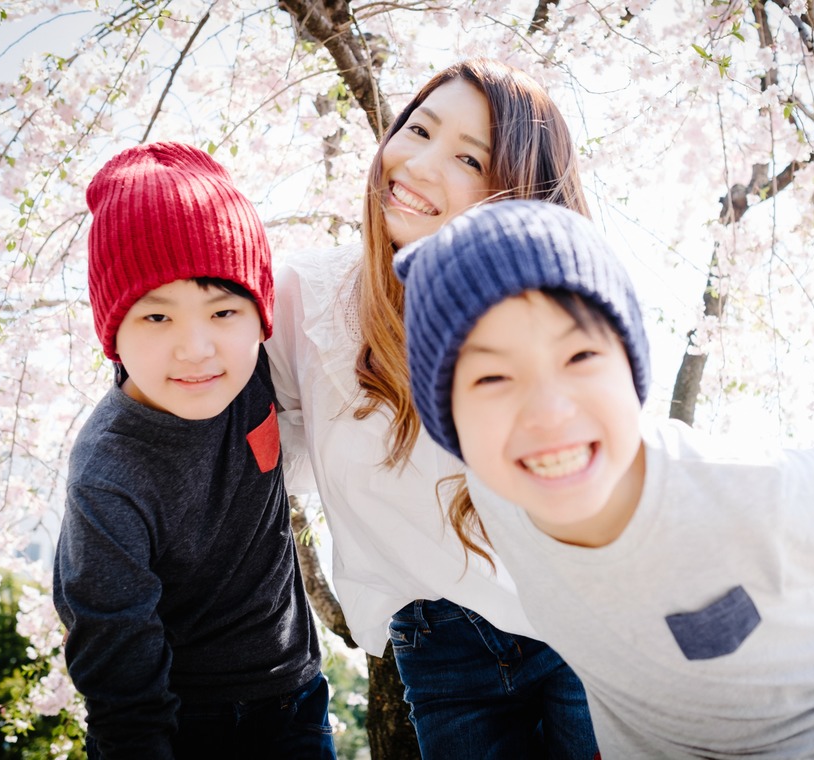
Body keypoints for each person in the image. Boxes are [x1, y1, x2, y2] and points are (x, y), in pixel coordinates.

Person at [396, 199, 814, 760]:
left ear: (632, 368)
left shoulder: (741, 491)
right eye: (491, 378)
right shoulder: (498, 492)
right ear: (449, 421)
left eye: (581, 356)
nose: (547, 413)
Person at [265, 59, 598, 758]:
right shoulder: (306, 299)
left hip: (581, 620)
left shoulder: (552, 322)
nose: (417, 165)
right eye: (417, 130)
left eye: (468, 157)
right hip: (441, 646)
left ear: (516, 195)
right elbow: (269, 457)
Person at [54, 142, 334, 759]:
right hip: (183, 723)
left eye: (223, 310)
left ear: (257, 316)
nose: (197, 348)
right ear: (113, 333)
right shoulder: (109, 473)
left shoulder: (252, 372)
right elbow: (113, 647)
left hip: (296, 697)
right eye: (157, 318)